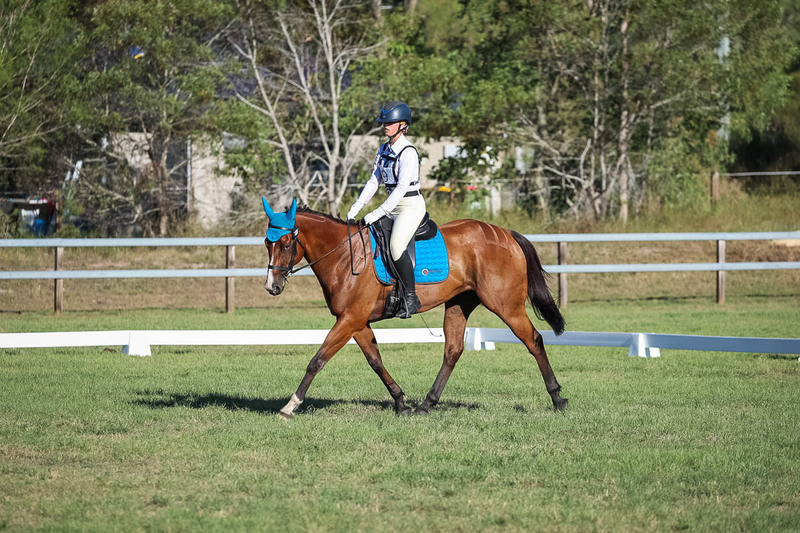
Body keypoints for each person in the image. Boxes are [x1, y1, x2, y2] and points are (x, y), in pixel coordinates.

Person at [346, 101, 425, 318]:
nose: (385, 126)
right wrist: (356, 207)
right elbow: (374, 181)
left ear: (402, 125)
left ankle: (410, 297)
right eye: (384, 122)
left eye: (390, 123)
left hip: (410, 206)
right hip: (392, 205)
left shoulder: (408, 152)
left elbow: (400, 189)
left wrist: (377, 212)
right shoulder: (383, 149)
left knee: (396, 245)